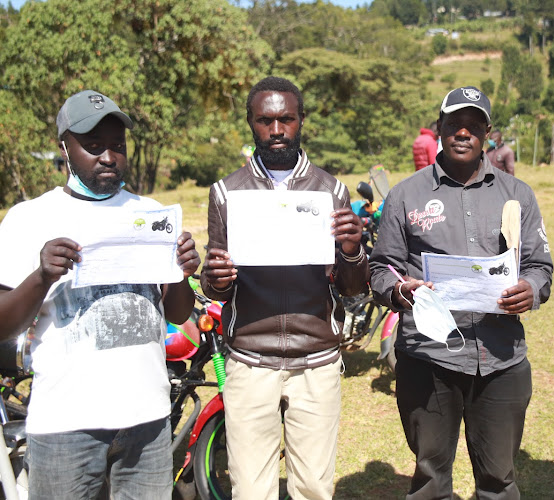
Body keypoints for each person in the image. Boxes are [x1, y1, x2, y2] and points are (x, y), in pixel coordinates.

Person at [0, 90, 201, 499]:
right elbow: (3, 324)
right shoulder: (29, 218)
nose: (108, 157)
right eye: (93, 147)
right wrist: (41, 276)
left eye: (117, 146)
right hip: (65, 427)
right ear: (64, 149)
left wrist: (180, 271)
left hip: (149, 420)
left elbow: (179, 315)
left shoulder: (149, 215)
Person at [370, 86, 553, 499]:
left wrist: (532, 290)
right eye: (454, 123)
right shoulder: (406, 195)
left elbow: (540, 267)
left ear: (487, 132)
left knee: (499, 479)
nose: (463, 132)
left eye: (474, 125)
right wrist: (400, 290)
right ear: (440, 128)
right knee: (431, 479)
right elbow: (380, 267)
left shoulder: (517, 193)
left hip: (501, 356)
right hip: (428, 356)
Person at [201, 76, 369, 500]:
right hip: (249, 360)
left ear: (301, 121)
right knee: (251, 489)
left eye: (286, 119)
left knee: (313, 487)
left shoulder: (331, 190)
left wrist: (351, 248)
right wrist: (215, 277)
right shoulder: (226, 193)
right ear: (251, 123)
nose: (276, 130)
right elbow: (215, 287)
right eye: (265, 120)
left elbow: (352, 289)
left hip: (316, 360)